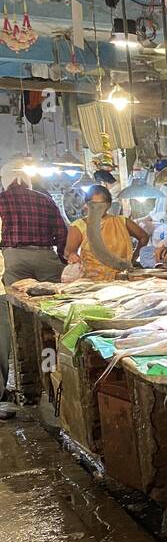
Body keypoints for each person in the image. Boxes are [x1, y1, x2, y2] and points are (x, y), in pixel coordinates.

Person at [0, 161, 67, 410]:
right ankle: (56, 372)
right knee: (54, 316)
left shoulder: (1, 200)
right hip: (45, 257)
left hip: (13, 258)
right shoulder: (44, 199)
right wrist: (58, 260)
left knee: (17, 320)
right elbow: (62, 234)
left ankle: (30, 382)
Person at [65, 184, 148, 280]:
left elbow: (144, 237)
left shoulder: (121, 222)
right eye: (93, 204)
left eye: (101, 204)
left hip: (121, 278)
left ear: (109, 205)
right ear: (87, 205)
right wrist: (72, 255)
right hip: (91, 279)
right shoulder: (79, 225)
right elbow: (68, 251)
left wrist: (134, 257)